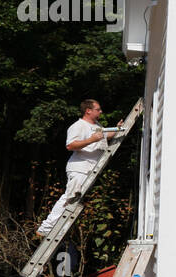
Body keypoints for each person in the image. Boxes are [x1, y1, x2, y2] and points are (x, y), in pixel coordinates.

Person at [37, 100, 118, 236]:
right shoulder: (78, 126)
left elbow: (104, 136)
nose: (101, 111)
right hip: (80, 167)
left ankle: (56, 227)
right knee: (69, 196)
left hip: (90, 168)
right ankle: (46, 228)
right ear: (88, 110)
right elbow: (70, 145)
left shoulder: (97, 125)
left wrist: (116, 129)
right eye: (98, 109)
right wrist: (92, 140)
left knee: (74, 199)